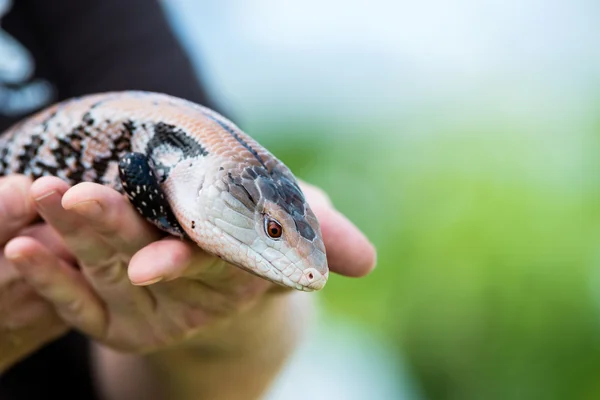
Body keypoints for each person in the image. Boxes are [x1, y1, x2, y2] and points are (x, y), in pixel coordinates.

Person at [0, 1, 377, 399]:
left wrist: (237, 324)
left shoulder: (199, 165)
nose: (312, 274)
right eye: (272, 230)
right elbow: (132, 166)